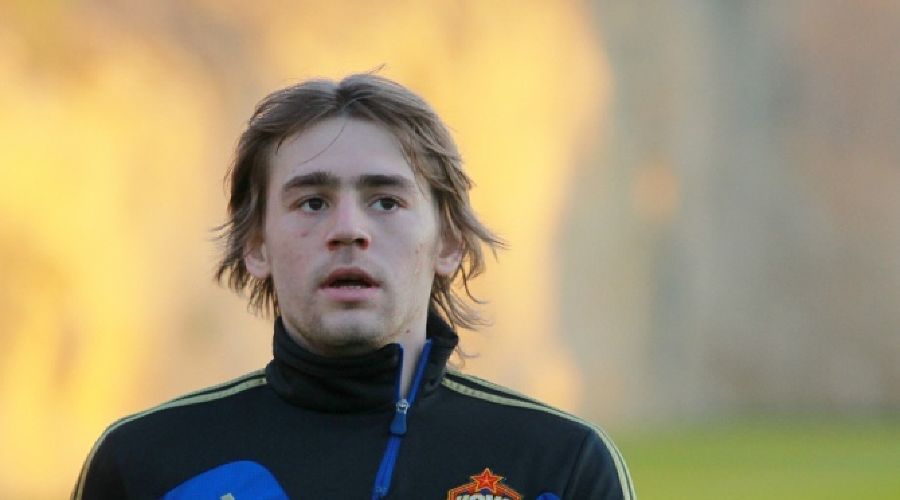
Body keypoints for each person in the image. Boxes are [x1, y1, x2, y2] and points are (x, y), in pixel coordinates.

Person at [72, 74, 635, 500]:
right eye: (312, 202)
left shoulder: (561, 464)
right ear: (256, 245)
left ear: (448, 242)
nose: (348, 230)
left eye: (386, 202)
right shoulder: (144, 463)